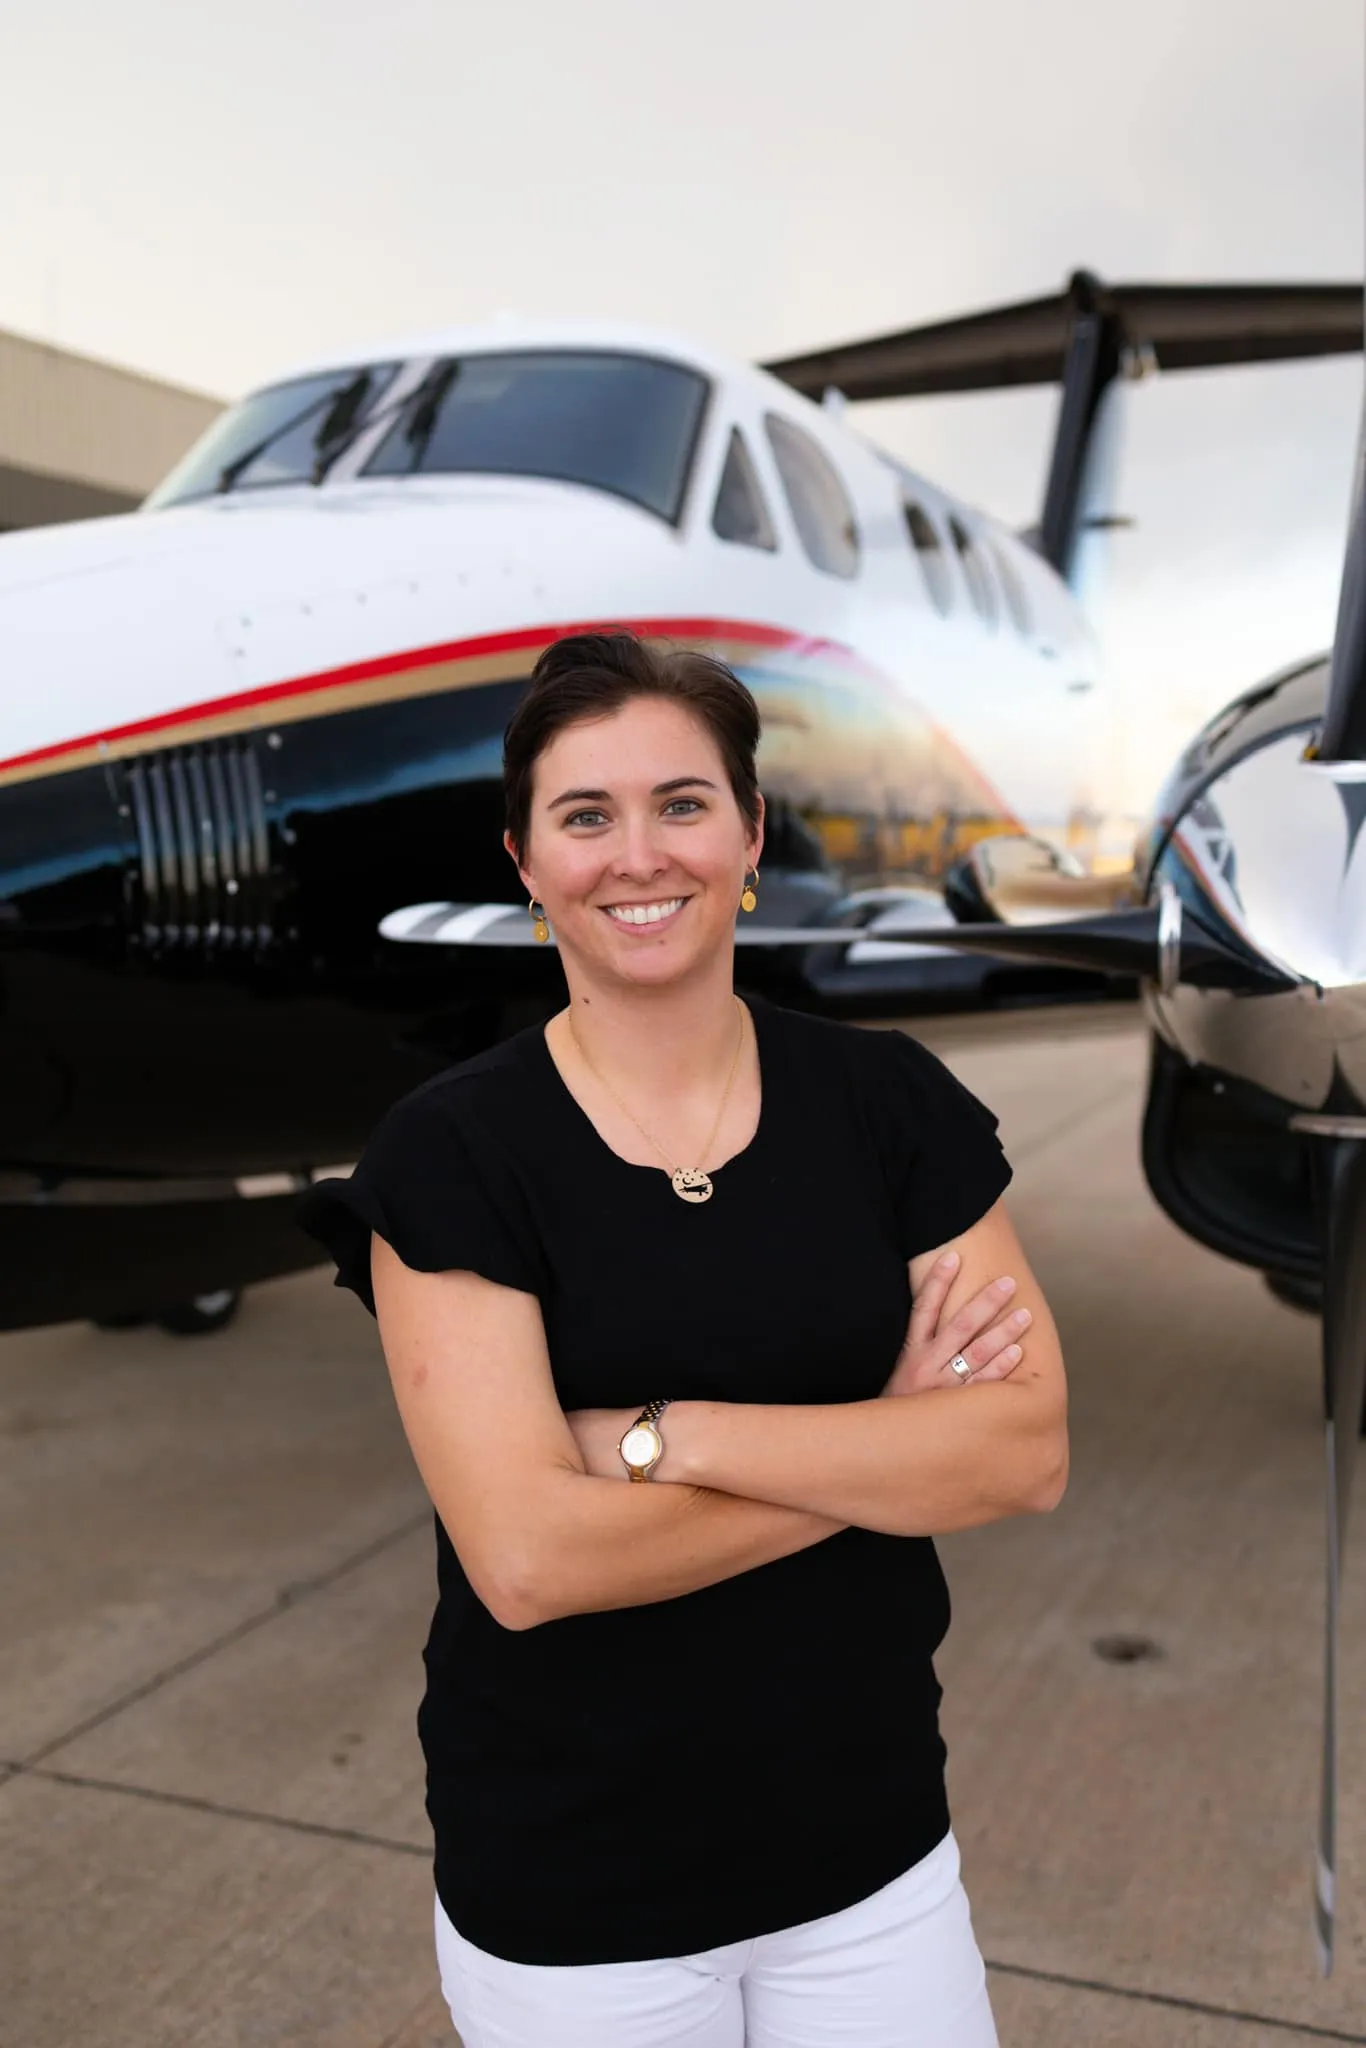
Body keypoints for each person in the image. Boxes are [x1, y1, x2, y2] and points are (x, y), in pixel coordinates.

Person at [297, 629, 1068, 2048]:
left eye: (682, 803)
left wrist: (661, 1443)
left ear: (750, 832)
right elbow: (529, 1564)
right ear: (526, 863)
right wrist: (882, 1452)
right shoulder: (452, 1155)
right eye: (584, 817)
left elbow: (1020, 1452)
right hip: (581, 1900)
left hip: (872, 1856)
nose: (636, 854)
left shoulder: (887, 1103)